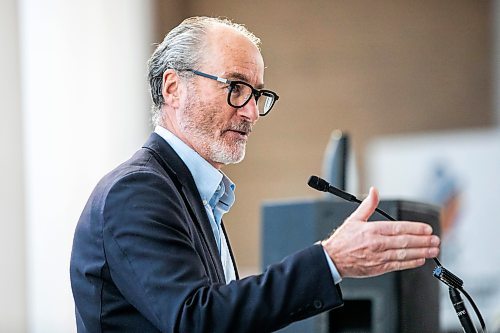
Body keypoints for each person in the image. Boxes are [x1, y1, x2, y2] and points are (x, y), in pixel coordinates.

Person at [70, 16, 440, 332]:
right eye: (235, 88)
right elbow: (197, 319)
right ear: (173, 88)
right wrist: (331, 260)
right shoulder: (138, 190)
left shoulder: (190, 192)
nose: (249, 111)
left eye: (257, 94)